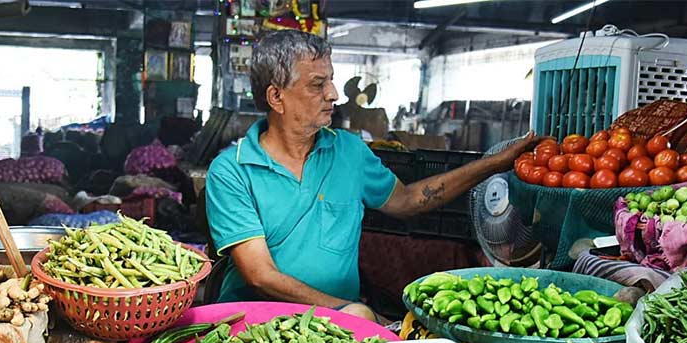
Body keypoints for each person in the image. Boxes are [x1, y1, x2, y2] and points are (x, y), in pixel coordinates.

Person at [205, 30, 542, 321]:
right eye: (317, 84)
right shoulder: (232, 170)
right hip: (250, 325)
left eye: (332, 80)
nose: (334, 94)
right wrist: (347, 310)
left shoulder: (350, 152)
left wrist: (494, 164)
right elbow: (259, 275)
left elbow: (408, 200)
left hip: (334, 327)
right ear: (276, 97)